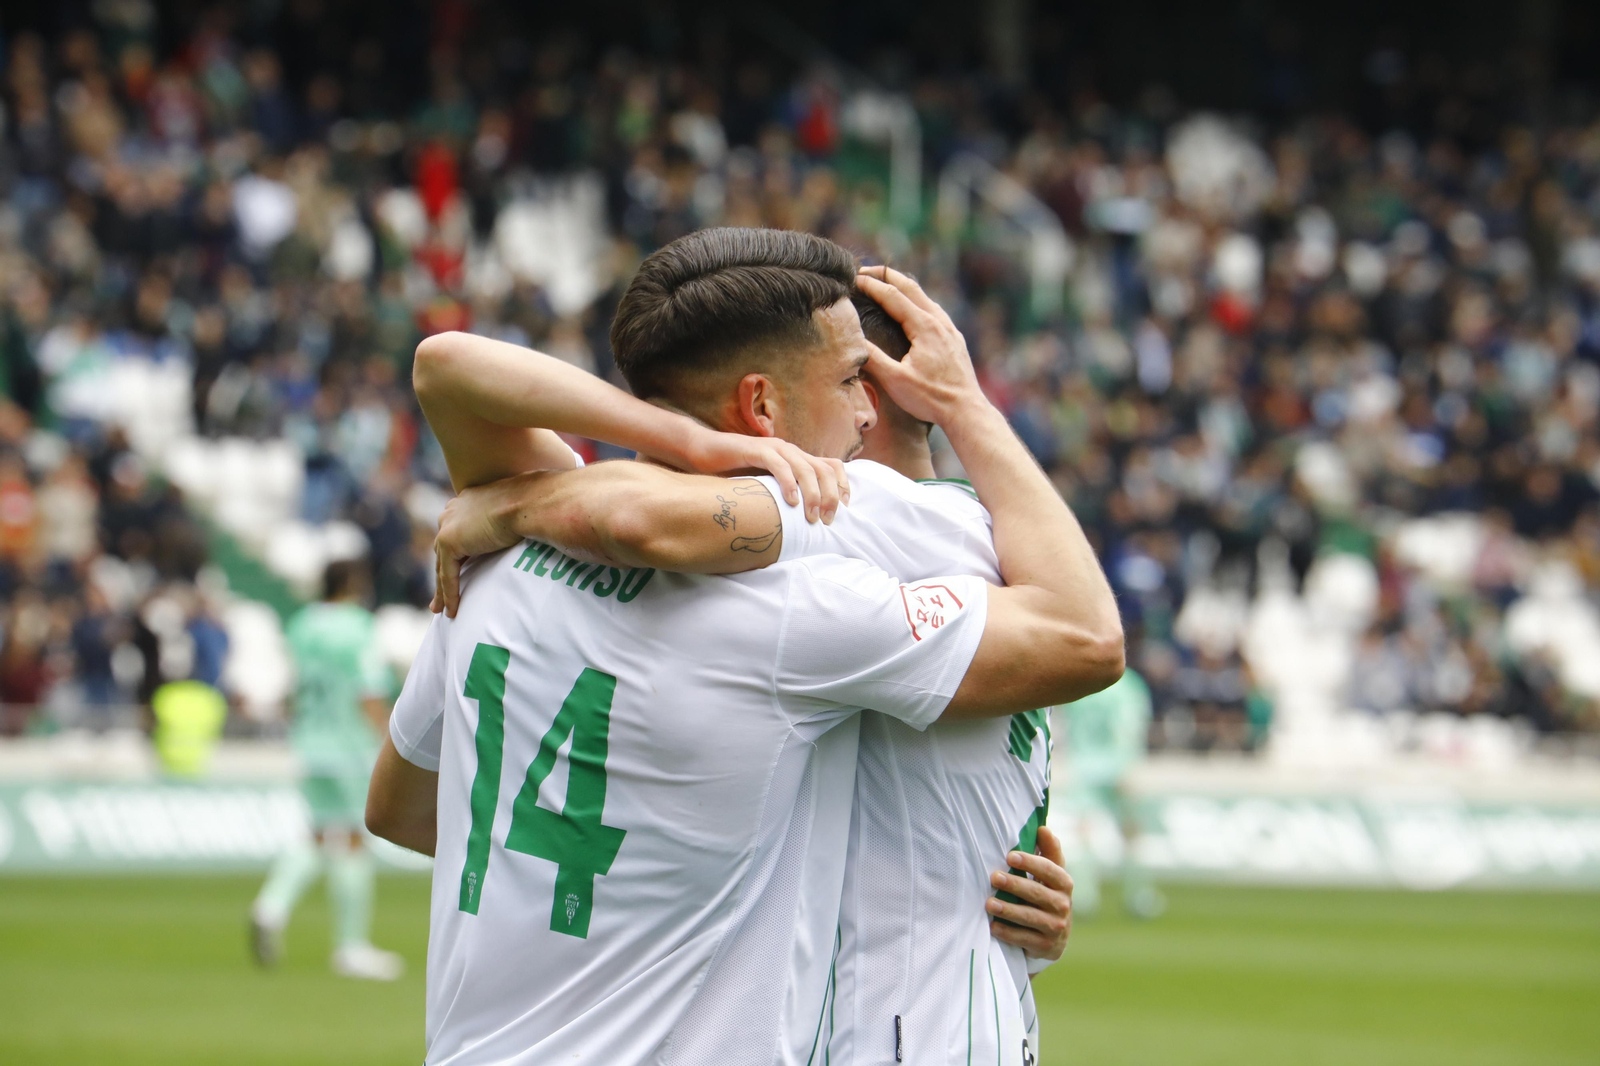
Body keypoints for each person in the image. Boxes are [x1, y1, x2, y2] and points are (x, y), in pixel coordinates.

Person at [366, 228, 1122, 1064]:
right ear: (761, 408)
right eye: (848, 383)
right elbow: (1083, 639)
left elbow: (402, 809)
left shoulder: (492, 561)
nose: (867, 410)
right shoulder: (795, 608)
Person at [251, 559, 403, 980]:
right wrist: (391, 741)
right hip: (349, 745)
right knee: (355, 839)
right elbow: (367, 690)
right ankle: (351, 948)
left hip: (309, 741)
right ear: (354, 583)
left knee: (318, 833)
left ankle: (271, 907)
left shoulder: (301, 625)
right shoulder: (357, 628)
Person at [1061, 666, 1164, 919]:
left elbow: (1066, 724)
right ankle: (1138, 896)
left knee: (1084, 831)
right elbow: (1129, 728)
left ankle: (1083, 896)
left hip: (1084, 766)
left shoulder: (1083, 680)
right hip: (1117, 767)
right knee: (1130, 833)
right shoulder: (1127, 685)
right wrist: (1128, 765)